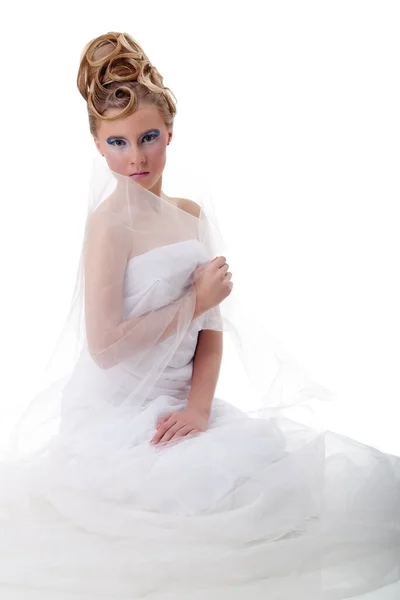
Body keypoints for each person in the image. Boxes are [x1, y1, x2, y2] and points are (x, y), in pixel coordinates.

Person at [0, 31, 399, 600]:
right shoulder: (110, 226)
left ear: (170, 133)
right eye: (117, 142)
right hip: (117, 407)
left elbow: (209, 330)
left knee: (269, 472)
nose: (135, 157)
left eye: (149, 137)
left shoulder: (191, 215)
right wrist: (194, 301)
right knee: (190, 500)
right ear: (97, 145)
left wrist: (199, 408)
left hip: (180, 395)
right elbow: (105, 343)